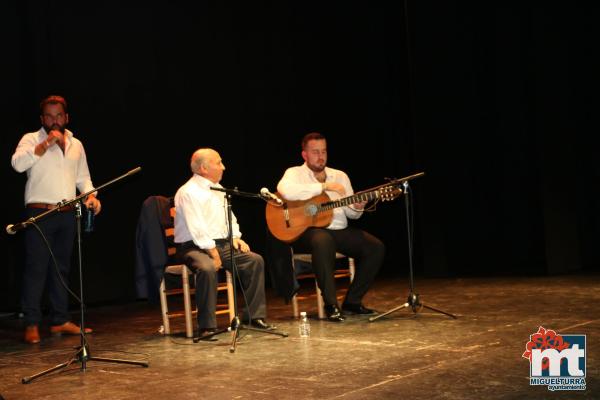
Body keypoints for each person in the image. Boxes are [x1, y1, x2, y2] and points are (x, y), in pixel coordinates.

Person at [11, 95, 101, 344]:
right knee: (36, 269)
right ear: (42, 119)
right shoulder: (31, 139)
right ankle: (31, 322)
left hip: (67, 213)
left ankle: (60, 319)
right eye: (49, 116)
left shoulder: (76, 144)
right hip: (40, 213)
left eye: (58, 116)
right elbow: (17, 165)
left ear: (66, 117)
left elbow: (83, 178)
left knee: (61, 269)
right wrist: (44, 146)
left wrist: (91, 197)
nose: (54, 121)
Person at [276, 132, 385, 322]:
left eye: (324, 151)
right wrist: (323, 187)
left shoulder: (340, 176)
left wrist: (358, 206)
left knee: (375, 247)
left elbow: (352, 214)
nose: (321, 156)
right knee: (322, 240)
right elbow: (285, 191)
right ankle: (331, 304)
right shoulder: (294, 173)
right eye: (315, 152)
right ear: (305, 155)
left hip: (339, 229)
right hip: (307, 231)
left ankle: (352, 302)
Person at [174, 148, 275, 337]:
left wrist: (236, 237)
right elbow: (198, 229)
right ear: (204, 168)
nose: (224, 167)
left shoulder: (219, 189)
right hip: (193, 246)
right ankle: (206, 326)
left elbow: (229, 218)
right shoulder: (188, 192)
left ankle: (253, 317)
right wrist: (214, 254)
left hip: (220, 244)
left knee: (254, 260)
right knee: (207, 267)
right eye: (219, 163)